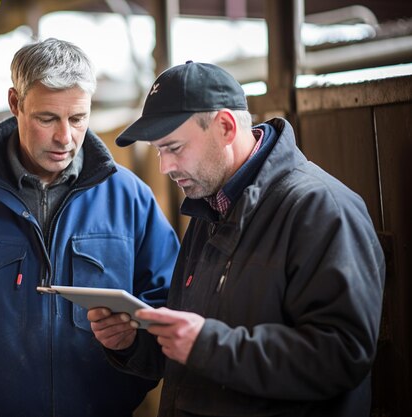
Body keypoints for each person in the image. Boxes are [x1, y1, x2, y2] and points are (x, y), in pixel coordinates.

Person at [0, 38, 180, 417]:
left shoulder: (131, 200)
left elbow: (166, 300)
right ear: (16, 103)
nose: (65, 137)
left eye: (78, 119)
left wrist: (132, 358)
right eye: (48, 119)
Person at [88, 61, 385, 417]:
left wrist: (207, 345)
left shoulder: (322, 208)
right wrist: (134, 342)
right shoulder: (210, 206)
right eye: (158, 151)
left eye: (175, 148)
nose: (165, 167)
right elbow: (191, 344)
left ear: (226, 127)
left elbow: (342, 354)